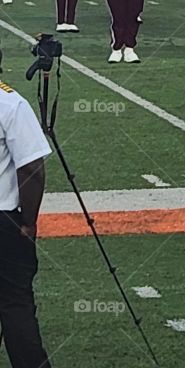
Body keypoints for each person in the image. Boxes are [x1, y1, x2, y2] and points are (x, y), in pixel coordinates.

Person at [0, 46, 53, 368]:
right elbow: (32, 169)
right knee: (15, 303)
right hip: (4, 218)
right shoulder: (10, 103)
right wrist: (29, 223)